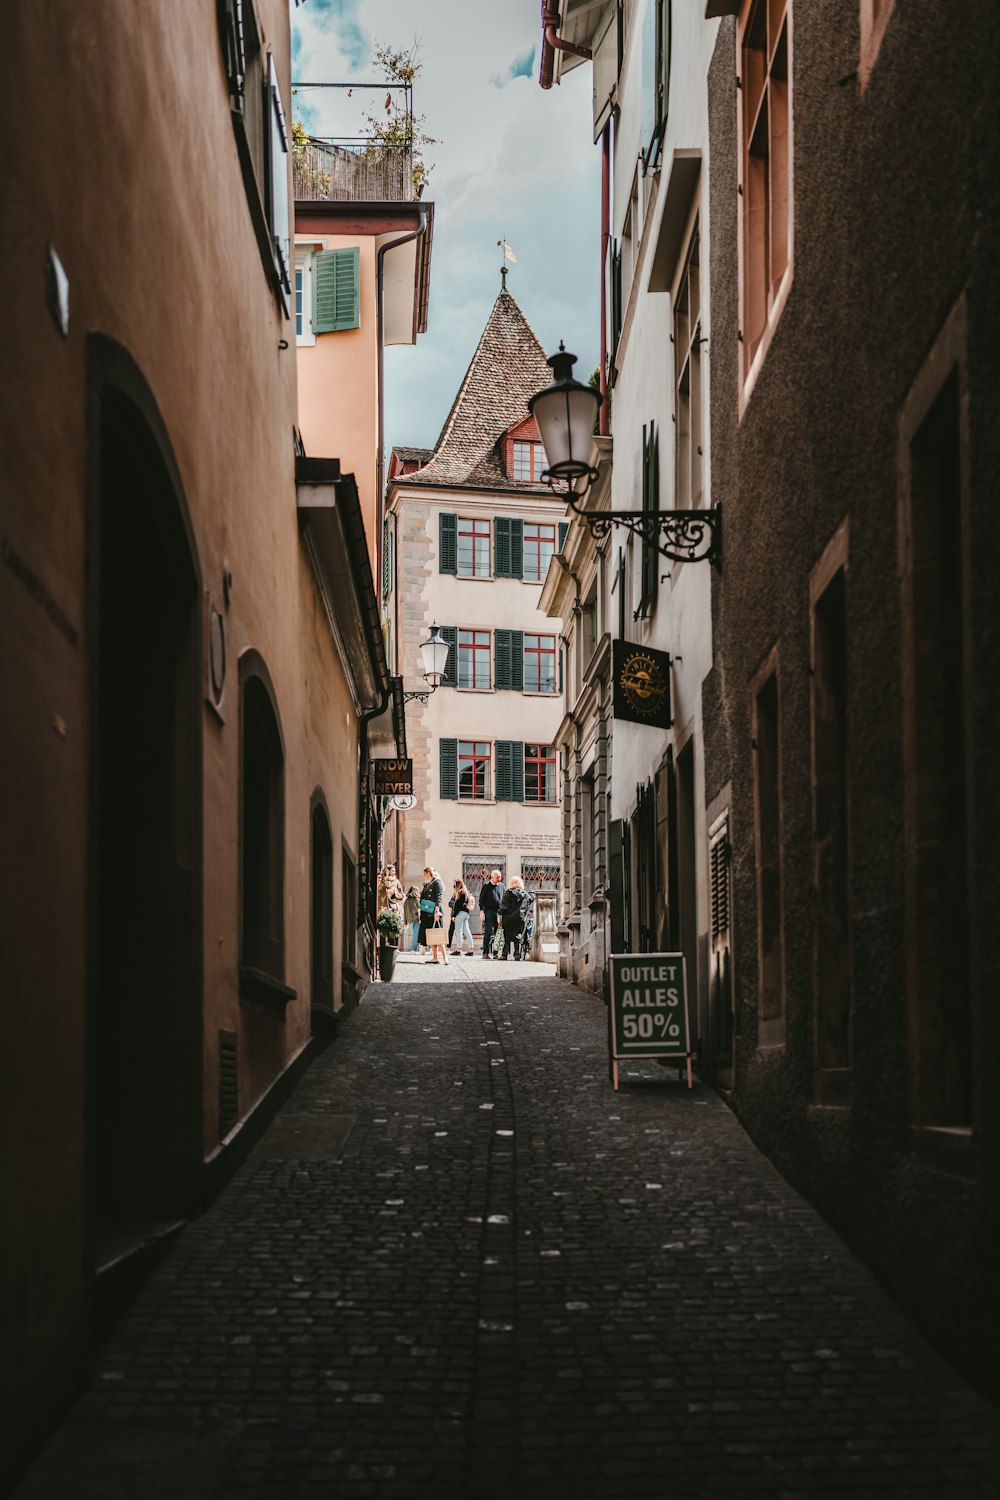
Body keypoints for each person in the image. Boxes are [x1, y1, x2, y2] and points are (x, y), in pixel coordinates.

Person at [418, 866, 448, 966]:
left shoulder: (437, 882)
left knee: (438, 935)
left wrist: (437, 910)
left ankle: (445, 958)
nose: (424, 876)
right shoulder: (426, 884)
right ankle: (435, 957)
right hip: (427, 912)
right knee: (431, 936)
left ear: (429, 873)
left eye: (425, 874)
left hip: (434, 911)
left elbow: (439, 897)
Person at [498, 876, 533, 960]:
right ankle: (517, 954)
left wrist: (499, 914)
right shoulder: (525, 894)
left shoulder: (509, 893)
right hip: (520, 919)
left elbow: (504, 906)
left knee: (506, 936)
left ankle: (504, 954)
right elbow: (530, 900)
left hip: (508, 918)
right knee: (518, 936)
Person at [478, 868, 505, 959]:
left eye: (500, 877)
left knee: (498, 933)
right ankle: (485, 953)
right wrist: (482, 911)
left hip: (499, 912)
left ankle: (495, 952)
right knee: (488, 932)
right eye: (497, 877)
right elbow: (481, 900)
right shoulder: (486, 886)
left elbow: (503, 899)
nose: (499, 879)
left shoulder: (502, 886)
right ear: (492, 877)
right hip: (489, 911)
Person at [449, 879, 475, 955]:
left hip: (460, 914)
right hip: (466, 913)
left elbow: (458, 906)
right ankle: (471, 949)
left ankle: (458, 949)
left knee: (458, 931)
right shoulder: (466, 893)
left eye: (455, 885)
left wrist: (454, 915)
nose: (454, 887)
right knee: (466, 931)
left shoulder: (460, 893)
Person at [403, 885, 420, 952]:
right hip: (415, 919)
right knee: (415, 935)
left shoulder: (407, 900)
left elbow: (405, 912)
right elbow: (419, 908)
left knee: (415, 935)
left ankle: (415, 948)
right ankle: (414, 948)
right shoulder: (415, 900)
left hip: (411, 920)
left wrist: (405, 921)